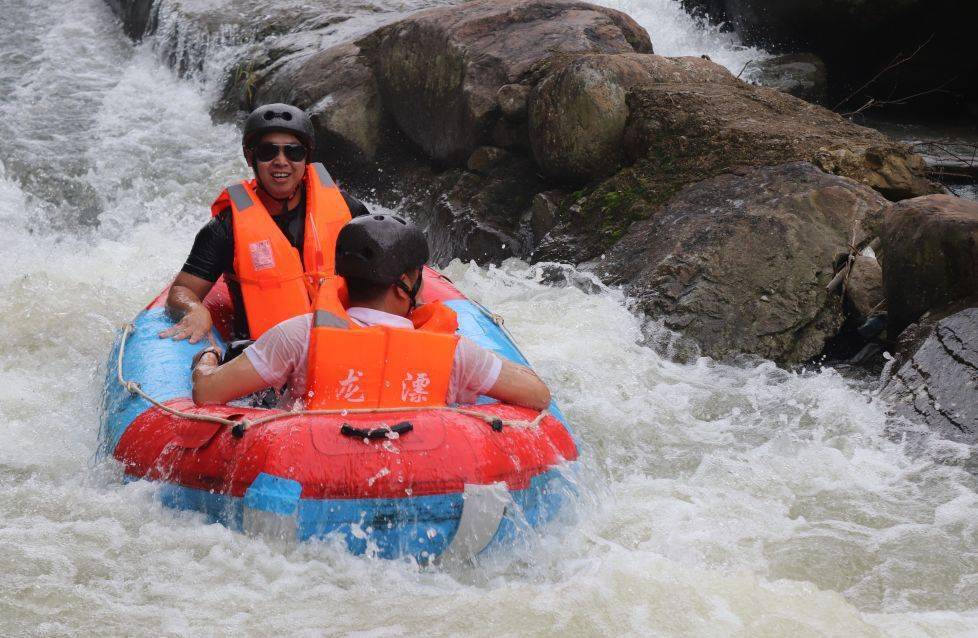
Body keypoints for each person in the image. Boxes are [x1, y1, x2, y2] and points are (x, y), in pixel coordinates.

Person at [191, 214, 551, 411]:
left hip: (311, 477)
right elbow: (537, 395)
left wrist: (207, 356)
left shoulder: (298, 334)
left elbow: (208, 393)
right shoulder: (454, 353)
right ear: (405, 283)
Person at [160, 103, 370, 344]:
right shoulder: (225, 228)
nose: (281, 161)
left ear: (306, 158)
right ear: (251, 158)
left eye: (293, 152)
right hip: (261, 357)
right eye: (268, 152)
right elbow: (181, 291)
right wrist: (194, 310)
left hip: (340, 342)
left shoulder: (347, 210)